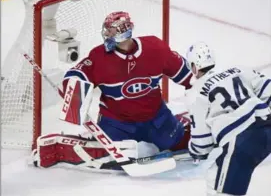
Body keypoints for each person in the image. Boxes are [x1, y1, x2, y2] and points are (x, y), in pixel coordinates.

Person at [32, 11, 192, 169]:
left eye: (110, 30)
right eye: (106, 29)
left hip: (156, 118)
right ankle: (58, 150)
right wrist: (74, 89)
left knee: (182, 143)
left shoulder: (155, 48)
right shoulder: (99, 56)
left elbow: (188, 76)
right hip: (117, 122)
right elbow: (78, 73)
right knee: (108, 158)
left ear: (123, 31)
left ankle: (184, 124)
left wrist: (204, 91)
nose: (106, 33)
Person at [185, 42, 271, 196]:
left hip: (241, 142)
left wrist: (194, 150)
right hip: (267, 126)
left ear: (194, 66)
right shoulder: (238, 70)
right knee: (216, 175)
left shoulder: (195, 94)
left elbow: (202, 143)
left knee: (217, 186)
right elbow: (268, 90)